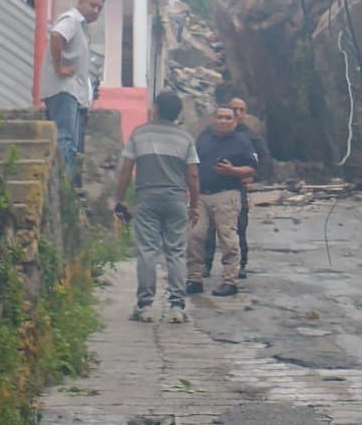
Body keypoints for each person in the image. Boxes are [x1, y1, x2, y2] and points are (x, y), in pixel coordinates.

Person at [113, 90, 199, 323]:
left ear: (156, 109)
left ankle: (145, 306)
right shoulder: (185, 138)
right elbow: (192, 176)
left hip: (147, 199)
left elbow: (126, 170)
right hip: (176, 200)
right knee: (176, 252)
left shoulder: (139, 133)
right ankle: (177, 307)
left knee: (147, 251)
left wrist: (119, 199)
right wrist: (194, 205)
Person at [186, 105, 256, 297]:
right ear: (213, 119)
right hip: (201, 195)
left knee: (228, 238)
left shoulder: (242, 141)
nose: (223, 121)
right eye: (220, 117)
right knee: (194, 236)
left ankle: (229, 280)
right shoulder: (204, 139)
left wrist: (232, 171)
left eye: (228, 118)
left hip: (227, 194)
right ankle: (194, 279)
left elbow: (252, 168)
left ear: (235, 121)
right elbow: (192, 164)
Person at [39, 0, 105, 180]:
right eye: (92, 5)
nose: (95, 11)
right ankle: (61, 181)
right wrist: (59, 66)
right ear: (80, 3)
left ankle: (65, 182)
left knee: (71, 141)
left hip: (73, 92)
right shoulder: (72, 19)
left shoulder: (82, 28)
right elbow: (56, 36)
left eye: (99, 8)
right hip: (63, 89)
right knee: (64, 138)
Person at [204, 97, 270, 280]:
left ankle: (240, 265)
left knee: (238, 227)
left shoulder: (250, 136)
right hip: (210, 188)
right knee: (207, 229)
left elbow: (264, 159)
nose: (238, 113)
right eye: (235, 109)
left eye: (242, 110)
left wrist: (252, 176)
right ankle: (205, 264)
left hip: (235, 187)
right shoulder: (208, 134)